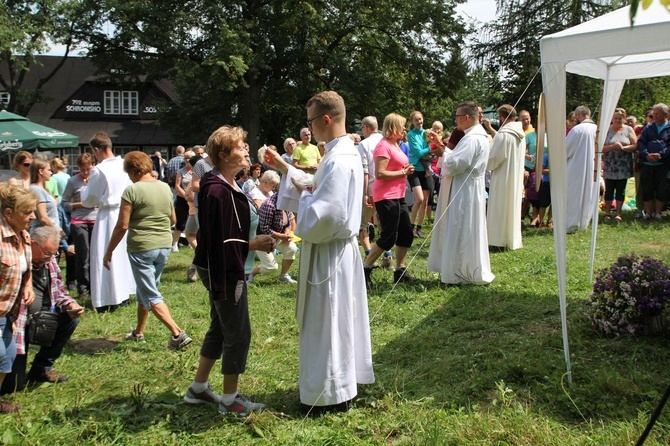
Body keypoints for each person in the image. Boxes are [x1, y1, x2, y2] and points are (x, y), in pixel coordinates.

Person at [265, 91, 375, 414]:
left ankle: (330, 393)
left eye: (311, 121)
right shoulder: (342, 152)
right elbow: (318, 185)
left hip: (329, 253)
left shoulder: (340, 160)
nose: (309, 128)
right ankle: (339, 384)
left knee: (328, 322)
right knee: (336, 320)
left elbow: (325, 214)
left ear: (326, 119)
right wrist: (289, 169)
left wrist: (306, 200)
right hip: (336, 250)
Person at [184, 125, 275, 416]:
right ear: (223, 154)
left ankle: (198, 389)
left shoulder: (228, 183)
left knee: (220, 328)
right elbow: (220, 241)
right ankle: (230, 399)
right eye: (240, 147)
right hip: (225, 270)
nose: (247, 150)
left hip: (228, 266)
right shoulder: (216, 191)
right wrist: (253, 243)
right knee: (238, 332)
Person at [103, 151, 191, 349]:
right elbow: (174, 220)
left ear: (132, 171)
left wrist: (108, 251)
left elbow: (122, 226)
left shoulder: (131, 191)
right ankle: (138, 332)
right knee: (146, 289)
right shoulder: (164, 188)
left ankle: (178, 334)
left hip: (141, 247)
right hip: (163, 246)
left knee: (150, 294)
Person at [0, 226, 84, 394]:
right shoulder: (18, 261)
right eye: (46, 253)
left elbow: (59, 291)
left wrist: (70, 305)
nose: (49, 258)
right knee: (14, 387)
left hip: (42, 317)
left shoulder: (50, 261)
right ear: (32, 244)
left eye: (53, 254)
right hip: (17, 323)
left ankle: (41, 366)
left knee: (71, 319)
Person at [427, 101, 494, 285]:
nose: (455, 120)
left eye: (457, 117)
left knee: (460, 226)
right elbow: (458, 158)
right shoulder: (473, 136)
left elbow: (457, 165)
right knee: (465, 226)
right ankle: (459, 268)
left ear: (466, 117)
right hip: (468, 185)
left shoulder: (472, 138)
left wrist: (442, 153)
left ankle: (457, 272)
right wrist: (442, 147)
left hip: (465, 188)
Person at [81, 132, 136, 312]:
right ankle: (124, 293)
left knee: (105, 254)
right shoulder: (125, 164)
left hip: (107, 215)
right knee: (123, 255)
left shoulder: (99, 170)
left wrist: (85, 194)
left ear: (96, 149)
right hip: (125, 211)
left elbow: (89, 199)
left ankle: (107, 297)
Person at [362, 113, 417, 289]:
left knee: (406, 233)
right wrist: (402, 173)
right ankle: (365, 269)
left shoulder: (396, 145)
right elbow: (379, 173)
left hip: (398, 195)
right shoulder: (383, 146)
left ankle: (400, 271)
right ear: (393, 127)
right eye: (402, 126)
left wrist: (405, 168)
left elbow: (395, 167)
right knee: (388, 237)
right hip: (386, 197)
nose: (404, 129)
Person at [0, 183, 37, 413]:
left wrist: (29, 285)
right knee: (2, 356)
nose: (33, 216)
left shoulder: (22, 235)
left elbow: (25, 268)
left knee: (9, 355)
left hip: (8, 312)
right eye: (27, 212)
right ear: (8, 213)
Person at [486, 104, 525, 250]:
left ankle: (498, 240)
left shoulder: (504, 134)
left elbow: (494, 158)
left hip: (503, 177)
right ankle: (510, 239)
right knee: (512, 207)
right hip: (514, 177)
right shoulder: (520, 134)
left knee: (500, 207)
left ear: (502, 117)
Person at [61, 154, 97, 298]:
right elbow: (64, 203)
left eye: (88, 169)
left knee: (96, 255)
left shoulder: (97, 180)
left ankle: (95, 286)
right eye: (82, 170)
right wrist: (80, 204)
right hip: (79, 220)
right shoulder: (72, 181)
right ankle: (83, 288)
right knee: (83, 256)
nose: (85, 172)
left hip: (96, 220)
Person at [357, 116, 390, 267]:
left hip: (370, 188)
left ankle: (370, 256)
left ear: (366, 127)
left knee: (362, 225)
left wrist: (364, 193)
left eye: (362, 128)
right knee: (383, 223)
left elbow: (365, 171)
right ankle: (387, 256)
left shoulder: (363, 144)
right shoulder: (387, 141)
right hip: (387, 188)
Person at [249, 192, 298, 284]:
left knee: (292, 249)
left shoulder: (286, 203)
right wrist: (282, 236)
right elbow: (264, 228)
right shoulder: (269, 205)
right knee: (271, 267)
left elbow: (288, 221)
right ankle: (249, 274)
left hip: (279, 238)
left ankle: (283, 276)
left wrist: (287, 233)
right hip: (263, 239)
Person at [565, 106, 597, 233]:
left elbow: (566, 150)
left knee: (573, 195)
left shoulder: (577, 130)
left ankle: (571, 224)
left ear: (578, 115)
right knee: (588, 194)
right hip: (592, 167)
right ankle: (584, 223)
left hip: (575, 167)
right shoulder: (597, 129)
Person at [602, 107, 637, 221]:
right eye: (615, 118)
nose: (617, 121)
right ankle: (607, 213)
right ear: (612, 119)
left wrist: (624, 148)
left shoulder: (628, 130)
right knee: (609, 189)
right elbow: (599, 147)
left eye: (620, 119)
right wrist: (612, 147)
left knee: (621, 189)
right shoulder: (606, 130)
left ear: (624, 119)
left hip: (623, 165)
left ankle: (618, 213)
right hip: (609, 165)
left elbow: (635, 145)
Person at [638, 103, 670, 220]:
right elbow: (641, 142)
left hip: (663, 164)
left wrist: (660, 155)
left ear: (665, 114)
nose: (654, 116)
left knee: (661, 189)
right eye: (653, 114)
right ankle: (648, 213)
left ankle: (657, 213)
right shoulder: (648, 128)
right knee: (647, 189)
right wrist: (646, 154)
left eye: (657, 114)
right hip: (647, 164)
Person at [406, 111, 433, 238]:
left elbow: (434, 150)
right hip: (414, 169)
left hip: (426, 169)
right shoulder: (410, 135)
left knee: (425, 201)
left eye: (420, 119)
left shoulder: (427, 133)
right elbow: (419, 153)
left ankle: (419, 228)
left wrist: (431, 148)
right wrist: (432, 147)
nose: (419, 122)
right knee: (419, 199)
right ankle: (410, 227)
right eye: (416, 120)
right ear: (412, 122)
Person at [29, 158, 61, 236]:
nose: (51, 173)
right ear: (40, 171)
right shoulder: (36, 190)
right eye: (49, 170)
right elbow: (43, 218)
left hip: (48, 233)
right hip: (42, 235)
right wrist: (56, 230)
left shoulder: (43, 189)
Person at [172, 150, 195, 252]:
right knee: (180, 222)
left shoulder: (197, 171)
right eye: (186, 158)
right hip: (183, 199)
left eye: (189, 158)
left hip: (194, 200)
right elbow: (177, 185)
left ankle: (191, 241)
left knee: (193, 222)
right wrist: (185, 195)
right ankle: (175, 244)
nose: (187, 160)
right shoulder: (181, 171)